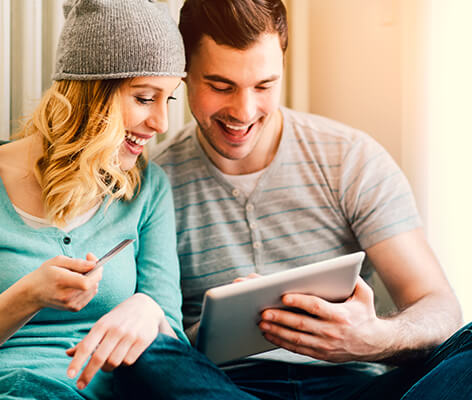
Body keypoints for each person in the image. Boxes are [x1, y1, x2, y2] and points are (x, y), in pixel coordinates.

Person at [116, 0, 472, 399]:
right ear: (185, 76)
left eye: (264, 86)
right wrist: (213, 332)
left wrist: (372, 337)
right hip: (223, 388)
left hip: (353, 386)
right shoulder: (150, 183)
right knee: (148, 354)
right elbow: (150, 336)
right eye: (220, 86)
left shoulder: (349, 159)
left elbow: (439, 306)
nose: (243, 111)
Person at [0, 1, 194, 398]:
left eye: (168, 99)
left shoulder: (147, 190)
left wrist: (150, 310)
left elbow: (175, 355)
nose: (161, 124)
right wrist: (27, 296)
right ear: (91, 93)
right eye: (144, 98)